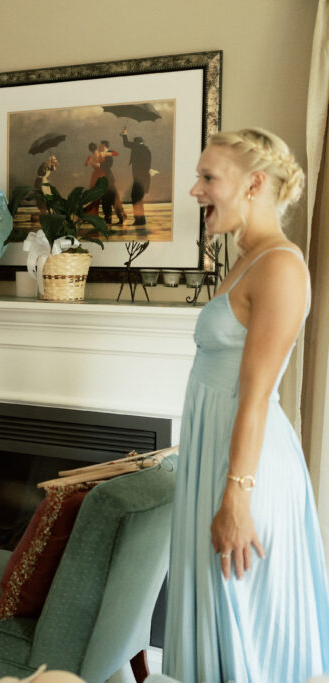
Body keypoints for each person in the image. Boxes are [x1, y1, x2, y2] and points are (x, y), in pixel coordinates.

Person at [164, 128, 329, 681]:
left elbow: (255, 396)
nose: (195, 190)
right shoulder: (246, 259)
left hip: (247, 474)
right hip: (216, 460)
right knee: (214, 616)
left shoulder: (280, 266)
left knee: (245, 627)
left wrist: (237, 499)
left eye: (208, 177)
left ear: (254, 184)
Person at [121, 127, 152, 225]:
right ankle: (141, 220)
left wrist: (125, 134)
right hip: (143, 179)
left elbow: (126, 144)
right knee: (138, 198)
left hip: (139, 179)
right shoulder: (146, 151)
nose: (133, 145)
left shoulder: (138, 149)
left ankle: (140, 220)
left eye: (134, 144)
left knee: (135, 197)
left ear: (137, 143)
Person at [97, 140, 126, 225]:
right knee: (105, 200)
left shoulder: (108, 153)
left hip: (108, 180)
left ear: (104, 145)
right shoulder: (102, 154)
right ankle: (108, 219)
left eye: (100, 145)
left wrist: (99, 165)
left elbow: (109, 165)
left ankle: (121, 217)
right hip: (104, 179)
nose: (99, 147)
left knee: (113, 198)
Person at [32, 155, 59, 223]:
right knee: (42, 196)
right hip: (40, 182)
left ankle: (46, 212)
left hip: (44, 182)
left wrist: (55, 163)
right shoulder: (44, 165)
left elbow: (53, 168)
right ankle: (43, 212)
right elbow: (42, 171)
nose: (52, 163)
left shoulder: (49, 166)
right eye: (51, 161)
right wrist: (47, 165)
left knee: (48, 196)